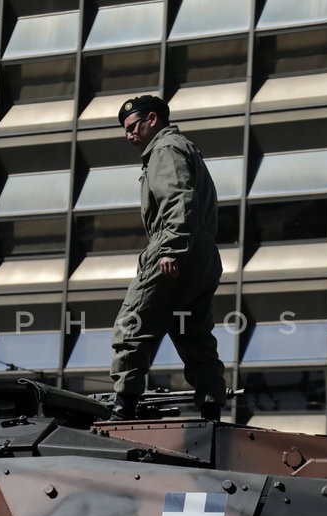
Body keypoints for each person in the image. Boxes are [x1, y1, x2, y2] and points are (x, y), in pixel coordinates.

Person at [109, 95, 226, 421]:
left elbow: (177, 196)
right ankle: (211, 410)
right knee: (195, 335)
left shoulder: (164, 150)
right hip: (203, 255)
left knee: (131, 325)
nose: (129, 135)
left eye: (133, 127)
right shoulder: (186, 149)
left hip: (176, 247)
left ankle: (123, 409)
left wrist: (171, 248)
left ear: (152, 120)